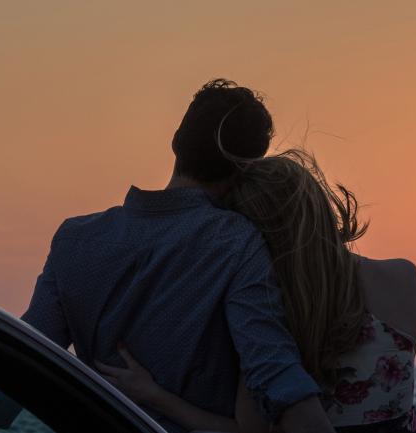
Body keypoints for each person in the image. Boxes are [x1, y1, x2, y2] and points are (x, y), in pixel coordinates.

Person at [18, 79, 335, 433]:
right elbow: (274, 370)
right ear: (248, 167)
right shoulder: (237, 244)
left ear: (176, 142)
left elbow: (21, 360)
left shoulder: (74, 239)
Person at [96, 150, 416, 433]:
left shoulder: (267, 320)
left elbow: (246, 430)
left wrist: (154, 396)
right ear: (317, 205)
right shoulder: (402, 278)